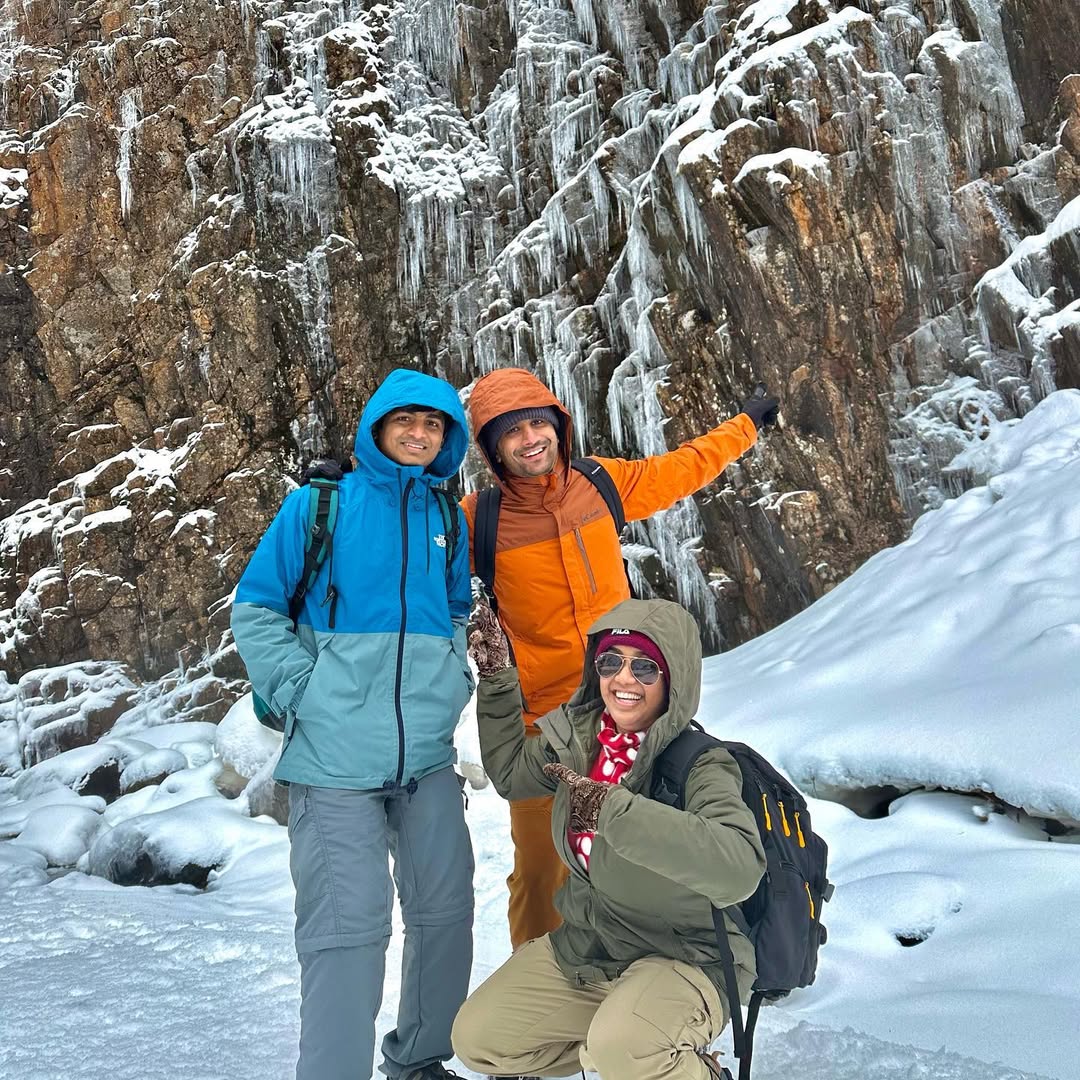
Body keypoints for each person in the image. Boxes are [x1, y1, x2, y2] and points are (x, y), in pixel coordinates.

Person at [461, 366, 778, 946]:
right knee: (539, 874)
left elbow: (683, 467)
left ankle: (641, 989)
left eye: (539, 423)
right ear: (491, 447)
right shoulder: (476, 521)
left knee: (642, 861)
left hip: (632, 715)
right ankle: (535, 998)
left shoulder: (600, 484)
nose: (530, 439)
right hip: (546, 732)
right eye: (512, 432)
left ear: (558, 424)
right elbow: (407, 548)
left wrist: (745, 426)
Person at [231, 368, 475, 1080]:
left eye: (433, 425)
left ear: (447, 438)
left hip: (426, 757)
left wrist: (452, 678)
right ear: (376, 425)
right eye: (405, 421)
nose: (418, 434)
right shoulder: (319, 505)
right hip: (334, 760)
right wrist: (305, 691)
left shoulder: (448, 519)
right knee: (348, 933)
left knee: (445, 913)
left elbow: (456, 612)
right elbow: (256, 608)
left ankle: (420, 1061)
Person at [453, 597, 767, 1080]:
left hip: (687, 955)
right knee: (479, 1040)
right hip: (593, 948)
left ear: (673, 680)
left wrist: (613, 810)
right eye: (610, 662)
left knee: (621, 1047)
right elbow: (514, 775)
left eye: (645, 667)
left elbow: (739, 868)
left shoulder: (701, 765)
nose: (624, 679)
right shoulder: (581, 740)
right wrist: (497, 679)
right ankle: (622, 1051)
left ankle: (669, 1063)